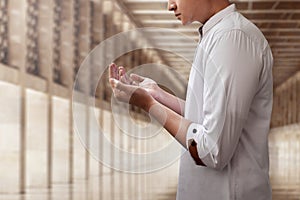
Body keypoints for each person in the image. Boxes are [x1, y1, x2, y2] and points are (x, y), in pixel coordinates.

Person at [109, 0, 273, 199]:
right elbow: (208, 118)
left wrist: (149, 105)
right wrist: (158, 96)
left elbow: (212, 151)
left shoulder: (231, 39)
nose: (170, 6)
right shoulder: (216, 35)